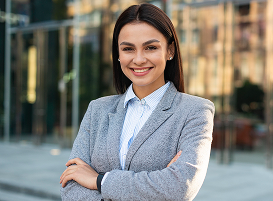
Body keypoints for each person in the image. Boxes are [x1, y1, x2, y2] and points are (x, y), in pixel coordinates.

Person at [60, 3, 214, 201]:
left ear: (170, 51)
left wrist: (99, 181)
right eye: (128, 49)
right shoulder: (97, 110)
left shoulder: (195, 111)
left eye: (150, 47)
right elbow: (70, 187)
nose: (139, 59)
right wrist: (153, 186)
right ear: (118, 54)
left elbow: (179, 187)